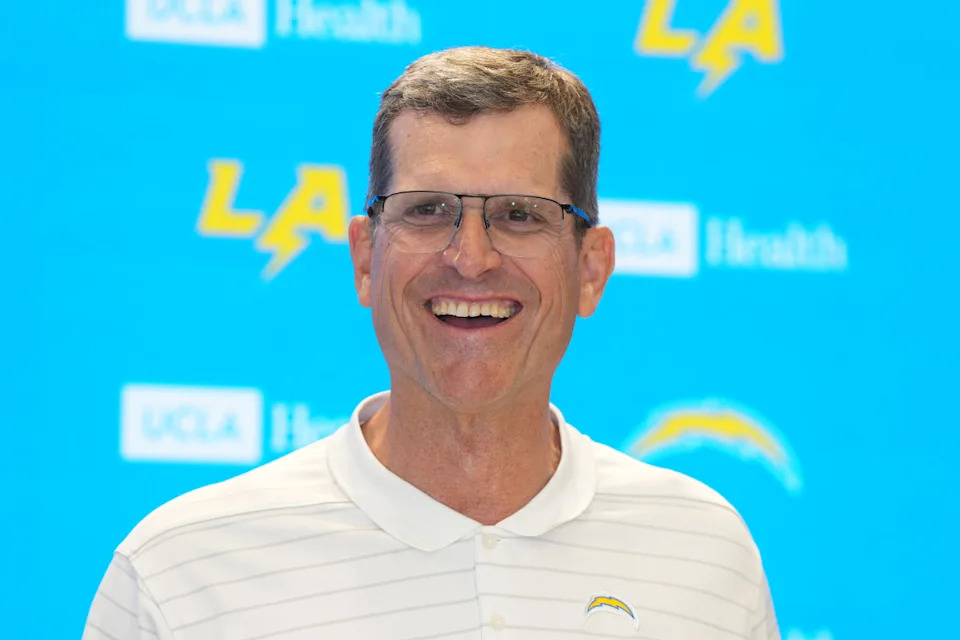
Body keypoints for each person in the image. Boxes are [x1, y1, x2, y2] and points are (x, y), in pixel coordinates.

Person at [82, 46, 779, 640]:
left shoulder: (705, 553)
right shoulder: (180, 573)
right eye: (427, 211)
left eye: (519, 214)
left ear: (591, 268)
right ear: (365, 259)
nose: (470, 258)